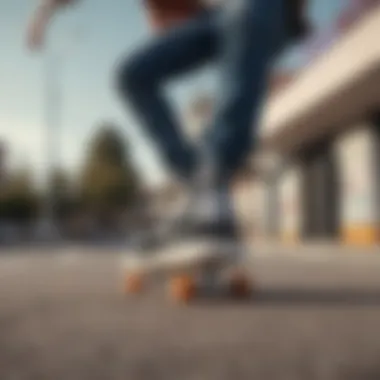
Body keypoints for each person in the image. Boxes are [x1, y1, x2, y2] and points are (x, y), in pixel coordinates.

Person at [27, 0, 310, 249]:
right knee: (133, 74)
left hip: (265, 9)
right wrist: (42, 16)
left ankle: (215, 178)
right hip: (212, 19)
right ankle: (198, 184)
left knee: (244, 14)